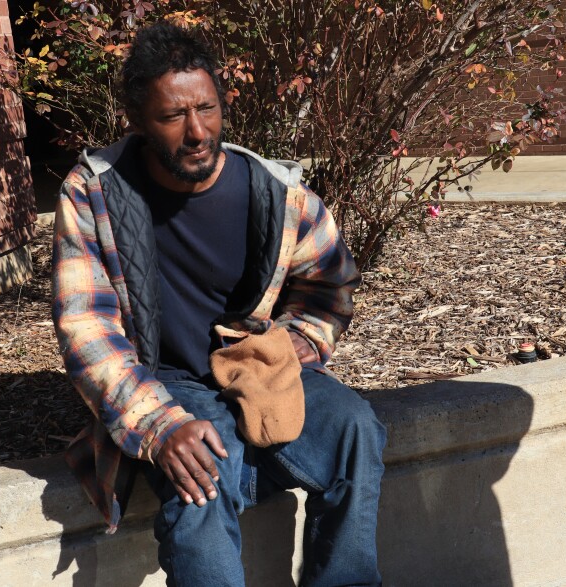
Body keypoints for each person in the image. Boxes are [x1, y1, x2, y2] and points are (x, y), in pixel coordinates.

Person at [52, 21, 386, 586]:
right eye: (172, 116)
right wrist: (156, 424)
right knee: (201, 474)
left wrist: (297, 345)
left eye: (206, 109)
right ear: (138, 121)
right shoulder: (94, 193)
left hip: (251, 365)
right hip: (162, 379)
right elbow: (86, 326)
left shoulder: (274, 191)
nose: (197, 131)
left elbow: (329, 282)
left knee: (355, 427)